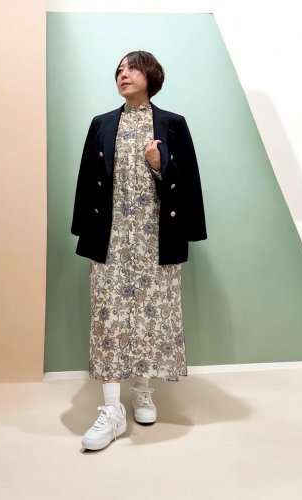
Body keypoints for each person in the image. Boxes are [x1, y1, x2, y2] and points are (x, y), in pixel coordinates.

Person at [71, 50, 207, 450]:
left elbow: (189, 182)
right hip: (111, 239)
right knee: (109, 317)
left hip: (155, 239)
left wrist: (160, 163)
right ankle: (112, 410)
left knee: (151, 314)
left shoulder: (173, 124)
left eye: (131, 68)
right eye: (119, 69)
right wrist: (85, 233)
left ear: (151, 75)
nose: (123, 74)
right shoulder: (101, 124)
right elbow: (86, 180)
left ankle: (142, 391)